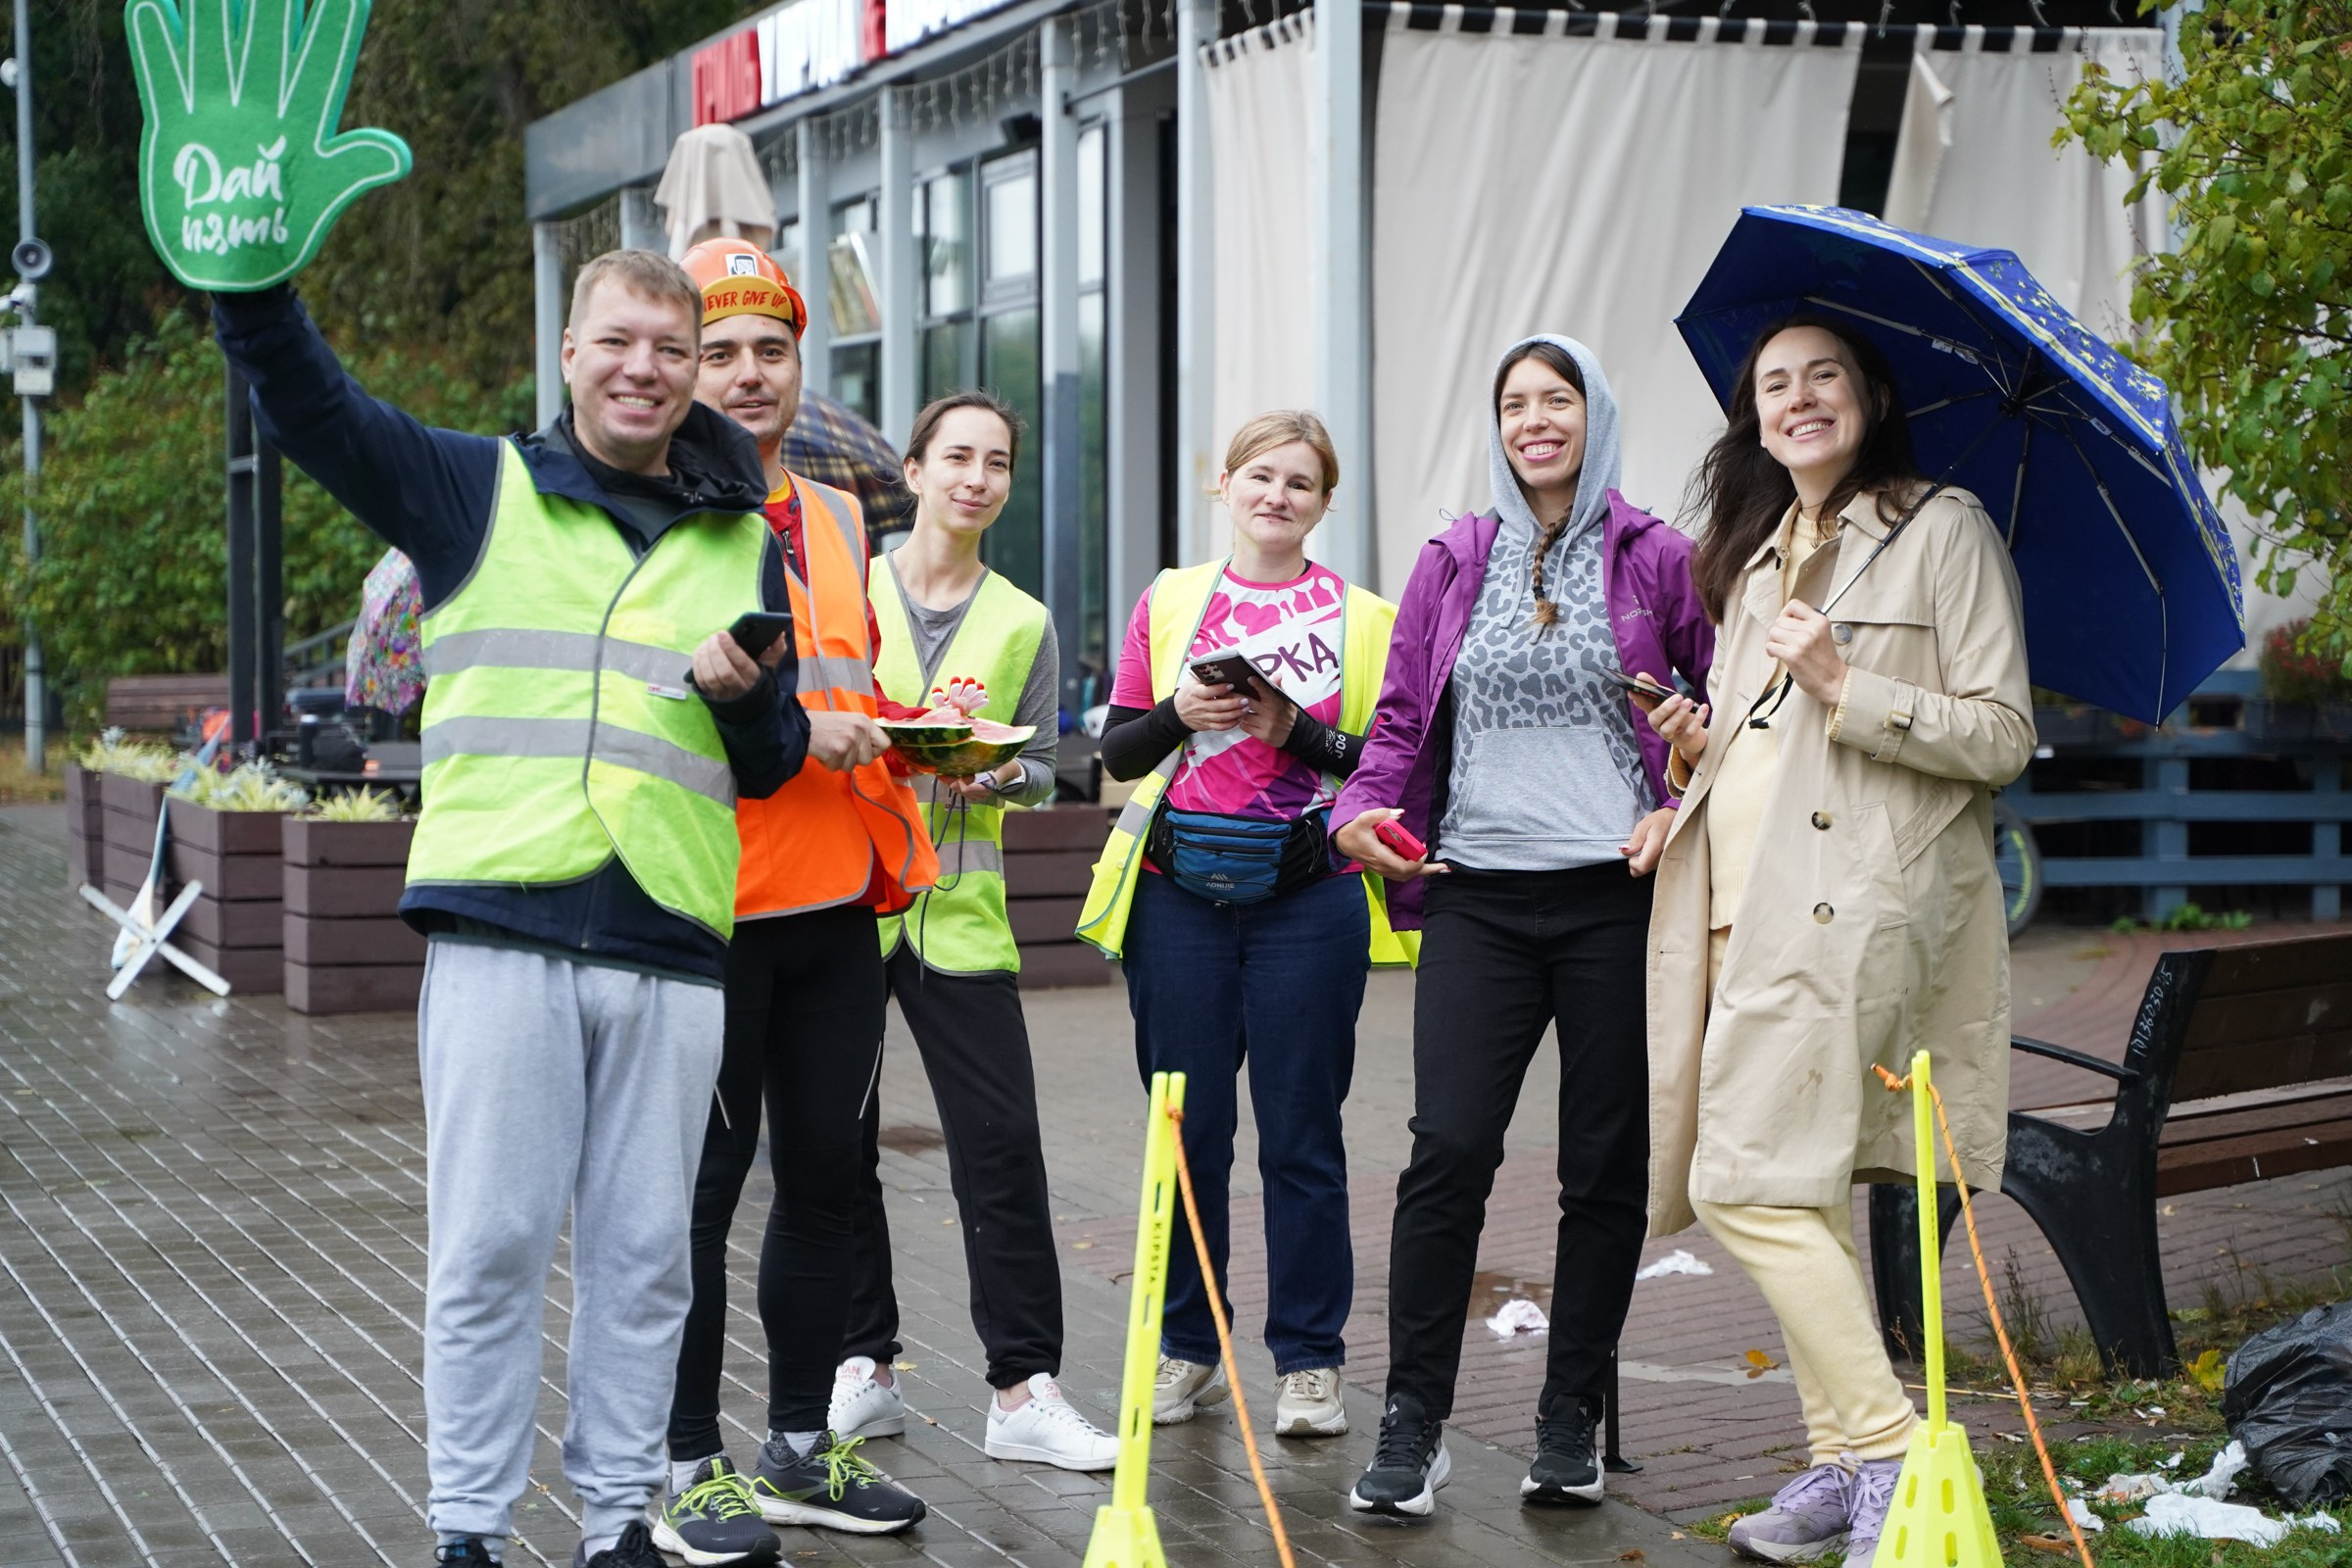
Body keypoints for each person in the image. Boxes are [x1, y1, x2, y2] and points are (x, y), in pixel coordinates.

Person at [216, 250, 808, 1568]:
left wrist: (744, 699)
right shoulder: (472, 488)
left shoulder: (743, 537)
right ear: (570, 352)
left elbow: (772, 760)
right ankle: (470, 1529)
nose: (644, 368)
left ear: (694, 368)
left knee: (648, 1257)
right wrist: (248, 287)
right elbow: (314, 411)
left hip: (669, 941)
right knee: (489, 1245)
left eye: (671, 347)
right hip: (503, 929)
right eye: (619, 341)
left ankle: (617, 1523)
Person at [1642, 317, 2032, 1566]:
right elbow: (1760, 740)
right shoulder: (1757, 559)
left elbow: (2003, 735)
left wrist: (1847, 684)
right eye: (1775, 384)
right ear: (1754, 417)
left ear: (1870, 396)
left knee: (1737, 1181)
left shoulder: (1943, 529)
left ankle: (1889, 1450)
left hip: (1849, 902)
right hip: (1736, 903)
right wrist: (1693, 759)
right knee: (1793, 1183)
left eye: (1824, 377)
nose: (1799, 398)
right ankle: (1840, 1464)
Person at [1330, 336, 1713, 1517]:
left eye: (1558, 399)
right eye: (1514, 403)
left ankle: (1570, 1415)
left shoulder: (1659, 558)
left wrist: (1681, 789)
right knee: (1447, 1151)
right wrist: (1357, 811)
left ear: (1596, 415)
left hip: (1615, 896)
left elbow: (1723, 718)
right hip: (1478, 893)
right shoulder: (1454, 558)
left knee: (1604, 1165)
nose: (1535, 420)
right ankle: (1413, 1421)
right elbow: (1400, 720)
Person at [655, 239, 939, 1563]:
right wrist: (795, 728)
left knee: (828, 1183)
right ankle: (685, 1463)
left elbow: (845, 679)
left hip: (832, 901)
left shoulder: (833, 514)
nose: (748, 373)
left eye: (770, 350)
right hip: (706, 901)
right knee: (697, 1199)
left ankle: (794, 1449)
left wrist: (918, 732)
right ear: (683, 368)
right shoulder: (648, 511)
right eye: (718, 351)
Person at [1076, 411, 1412, 1441]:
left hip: (1309, 899)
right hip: (1177, 898)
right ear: (1222, 485)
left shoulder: (1365, 618)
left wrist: (1293, 728)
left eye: (1300, 483)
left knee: (1303, 1137)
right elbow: (1118, 754)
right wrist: (1180, 713)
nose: (1278, 495)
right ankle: (1190, 1347)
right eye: (1260, 476)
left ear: (1324, 503)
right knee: (1187, 1134)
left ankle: (1309, 1361)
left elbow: (1392, 763)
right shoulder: (1172, 598)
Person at [825, 392, 1120, 1474]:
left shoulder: (1024, 619)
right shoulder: (844, 593)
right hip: (849, 904)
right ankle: (863, 1365)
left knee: (1001, 1149)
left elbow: (1044, 766)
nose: (977, 478)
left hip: (960, 910)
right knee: (835, 1142)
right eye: (957, 456)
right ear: (913, 471)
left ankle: (1023, 1388)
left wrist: (995, 774)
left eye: (996, 463)